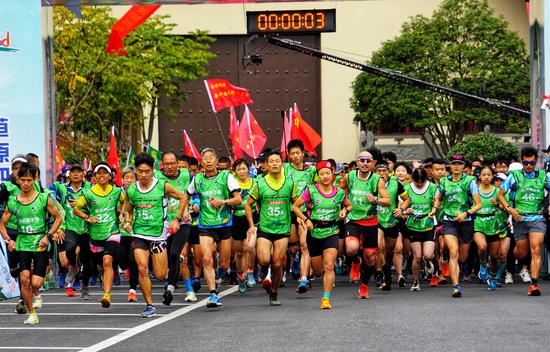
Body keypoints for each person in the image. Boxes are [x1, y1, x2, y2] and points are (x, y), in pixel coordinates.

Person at [125, 153, 189, 317]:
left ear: (153, 171)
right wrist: (127, 221)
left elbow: (183, 197)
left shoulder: (162, 186)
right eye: (140, 172)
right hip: (139, 234)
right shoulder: (131, 190)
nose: (144, 175)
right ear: (136, 172)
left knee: (160, 275)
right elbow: (129, 211)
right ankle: (149, 305)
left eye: (147, 171)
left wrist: (177, 219)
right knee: (142, 268)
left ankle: (174, 263)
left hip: (159, 234)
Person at [0, 163, 63, 324]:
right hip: (22, 244)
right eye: (23, 180)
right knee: (25, 279)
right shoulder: (13, 201)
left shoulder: (43, 198)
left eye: (29, 179)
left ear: (35, 179)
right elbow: (2, 223)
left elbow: (58, 217)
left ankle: (42, 280)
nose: (26, 183)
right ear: (18, 180)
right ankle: (32, 313)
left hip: (40, 244)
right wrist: (8, 240)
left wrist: (48, 236)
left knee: (36, 282)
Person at [185, 148, 241, 308]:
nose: (208, 161)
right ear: (201, 163)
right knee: (207, 259)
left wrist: (223, 202)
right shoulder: (197, 180)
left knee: (223, 263)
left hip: (223, 224)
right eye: (205, 158)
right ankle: (213, 294)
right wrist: (186, 209)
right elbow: (186, 196)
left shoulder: (226, 176)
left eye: (211, 158)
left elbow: (238, 200)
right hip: (205, 225)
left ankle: (222, 272)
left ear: (216, 161)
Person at [292, 160, 351, 309]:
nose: (325, 176)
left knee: (329, 265)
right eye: (321, 173)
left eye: (327, 173)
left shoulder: (339, 192)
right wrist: (306, 220)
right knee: (318, 270)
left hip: (332, 231)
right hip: (314, 232)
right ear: (317, 176)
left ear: (332, 174)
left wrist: (345, 211)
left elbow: (348, 205)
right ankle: (320, 277)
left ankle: (326, 299)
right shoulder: (311, 190)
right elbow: (295, 207)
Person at [246, 151, 297, 306]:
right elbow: (248, 204)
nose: (275, 163)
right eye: (271, 161)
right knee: (264, 259)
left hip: (282, 229)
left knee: (277, 263)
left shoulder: (289, 183)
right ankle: (263, 270)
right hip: (265, 228)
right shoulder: (260, 184)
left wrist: (303, 218)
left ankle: (274, 293)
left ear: (282, 164)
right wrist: (251, 226)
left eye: (278, 161)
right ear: (266, 165)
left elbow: (296, 203)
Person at [497, 146, 550, 296]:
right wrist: (509, 209)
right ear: (521, 161)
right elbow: (500, 194)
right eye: (526, 163)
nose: (529, 166)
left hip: (537, 218)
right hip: (519, 219)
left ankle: (534, 284)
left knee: (536, 249)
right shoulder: (514, 175)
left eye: (532, 163)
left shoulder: (543, 175)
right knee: (522, 253)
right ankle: (517, 255)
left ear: (536, 162)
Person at [73, 162, 126, 309]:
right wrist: (87, 217)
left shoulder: (116, 191)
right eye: (99, 173)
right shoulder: (89, 192)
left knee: (107, 261)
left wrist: (121, 213)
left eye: (105, 173)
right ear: (94, 176)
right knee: (100, 265)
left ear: (110, 176)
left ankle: (107, 296)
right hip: (95, 235)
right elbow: (76, 209)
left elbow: (125, 201)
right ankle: (105, 278)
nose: (102, 176)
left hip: (113, 232)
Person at [340, 151, 390, 299]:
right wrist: (343, 208)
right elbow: (339, 193)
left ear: (372, 163)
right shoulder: (349, 177)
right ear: (357, 162)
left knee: (370, 257)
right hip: (353, 220)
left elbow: (387, 201)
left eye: (368, 161)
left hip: (370, 222)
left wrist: (375, 199)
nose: (365, 163)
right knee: (351, 249)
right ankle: (355, 261)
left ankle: (364, 285)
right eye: (362, 160)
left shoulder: (376, 179)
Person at [433, 154, 481, 298]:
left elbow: (478, 204)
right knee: (454, 252)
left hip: (466, 222)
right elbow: (439, 198)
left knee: (462, 256)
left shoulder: (470, 181)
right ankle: (456, 286)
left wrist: (466, 213)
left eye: (459, 164)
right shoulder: (444, 181)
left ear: (463, 166)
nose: (456, 166)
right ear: (450, 166)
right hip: (449, 220)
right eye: (454, 164)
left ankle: (455, 265)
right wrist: (434, 209)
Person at [155, 152, 191, 306]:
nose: (170, 167)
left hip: (182, 221)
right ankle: (168, 277)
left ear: (178, 163)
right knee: (160, 271)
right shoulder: (156, 177)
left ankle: (170, 289)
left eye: (172, 163)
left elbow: (193, 193)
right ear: (162, 165)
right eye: (166, 164)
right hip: (162, 224)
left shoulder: (186, 174)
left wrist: (190, 207)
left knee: (175, 254)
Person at [55, 164, 92, 299]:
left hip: (87, 228)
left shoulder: (89, 188)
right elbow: (58, 209)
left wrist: (81, 203)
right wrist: (59, 227)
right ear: (68, 175)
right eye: (73, 172)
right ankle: (74, 266)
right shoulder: (62, 189)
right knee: (70, 249)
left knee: (87, 261)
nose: (76, 174)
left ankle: (85, 287)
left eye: (79, 172)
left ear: (83, 174)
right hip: (70, 227)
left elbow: (95, 206)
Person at [284, 139, 316, 293]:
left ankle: (304, 279)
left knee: (304, 245)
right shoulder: (284, 169)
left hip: (304, 212)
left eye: (298, 153)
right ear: (289, 155)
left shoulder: (311, 171)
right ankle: (294, 258)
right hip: (288, 211)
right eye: (292, 154)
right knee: (293, 246)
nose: (295, 156)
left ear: (303, 154)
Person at [401, 168, 438, 291]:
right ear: (413, 179)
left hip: (428, 224)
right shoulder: (406, 188)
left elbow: (437, 202)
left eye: (422, 182)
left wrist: (434, 209)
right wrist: (406, 210)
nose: (420, 184)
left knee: (427, 255)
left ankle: (427, 262)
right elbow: (402, 206)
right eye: (417, 182)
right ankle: (416, 282)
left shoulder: (432, 187)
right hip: (413, 225)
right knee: (417, 257)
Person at [375, 162, 409, 290]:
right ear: (375, 172)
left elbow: (407, 199)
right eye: (379, 171)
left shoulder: (396, 183)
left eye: (385, 171)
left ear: (390, 172)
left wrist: (401, 209)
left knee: (389, 251)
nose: (382, 173)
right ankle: (379, 273)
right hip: (376, 219)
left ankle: (387, 272)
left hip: (391, 220)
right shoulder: (371, 182)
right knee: (378, 246)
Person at [231, 159, 257, 294]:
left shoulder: (255, 182)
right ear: (234, 171)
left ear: (249, 169)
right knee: (240, 252)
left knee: (250, 246)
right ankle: (241, 276)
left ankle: (251, 270)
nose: (241, 171)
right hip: (236, 218)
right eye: (238, 169)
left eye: (244, 168)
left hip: (251, 217)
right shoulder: (231, 183)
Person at [118, 167, 139, 302]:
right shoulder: (118, 193)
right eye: (127, 178)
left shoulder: (139, 192)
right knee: (121, 259)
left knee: (133, 261)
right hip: (121, 232)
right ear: (123, 180)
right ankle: (126, 270)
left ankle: (132, 290)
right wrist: (119, 215)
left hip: (135, 232)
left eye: (132, 178)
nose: (129, 180)